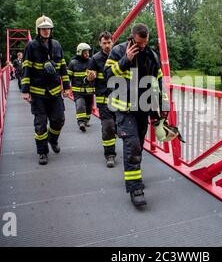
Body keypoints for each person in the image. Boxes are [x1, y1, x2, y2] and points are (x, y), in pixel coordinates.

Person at [104, 23, 169, 207]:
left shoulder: (151, 54)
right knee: (132, 145)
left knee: (138, 145)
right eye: (139, 43)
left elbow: (158, 82)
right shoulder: (118, 51)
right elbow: (107, 75)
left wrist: (162, 105)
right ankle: (135, 188)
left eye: (145, 43)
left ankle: (135, 175)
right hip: (124, 109)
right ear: (132, 37)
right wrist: (125, 60)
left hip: (143, 108)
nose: (142, 46)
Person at [20, 15, 72, 165]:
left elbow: (63, 66)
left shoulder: (56, 45)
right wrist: (25, 89)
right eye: (43, 29)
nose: (46, 31)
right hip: (38, 93)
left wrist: (67, 87)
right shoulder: (31, 46)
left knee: (59, 120)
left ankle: (53, 140)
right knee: (40, 124)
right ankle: (42, 152)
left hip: (55, 91)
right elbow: (26, 68)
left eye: (48, 28)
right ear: (38, 30)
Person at [89, 32, 117, 168]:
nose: (107, 45)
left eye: (109, 42)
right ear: (100, 44)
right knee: (108, 127)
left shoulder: (119, 56)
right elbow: (86, 79)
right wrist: (89, 78)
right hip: (103, 99)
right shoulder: (95, 59)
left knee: (119, 126)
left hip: (120, 99)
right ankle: (110, 154)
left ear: (113, 42)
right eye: (104, 43)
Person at [67, 43, 95, 131]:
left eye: (88, 52)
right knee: (80, 105)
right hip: (78, 91)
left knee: (89, 107)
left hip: (89, 91)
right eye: (85, 52)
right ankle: (81, 122)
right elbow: (68, 77)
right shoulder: (73, 63)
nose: (87, 54)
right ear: (80, 52)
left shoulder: (91, 62)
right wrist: (66, 88)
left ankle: (86, 121)